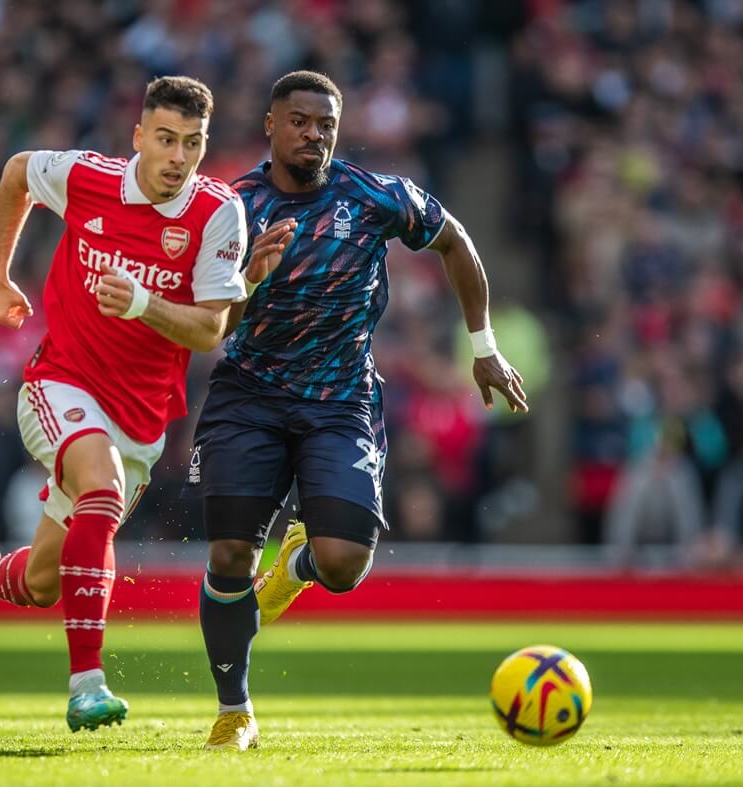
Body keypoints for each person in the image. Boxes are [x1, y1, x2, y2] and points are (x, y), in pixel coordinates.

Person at [189, 71, 528, 751]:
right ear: (271, 124)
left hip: (340, 401)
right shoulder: (229, 207)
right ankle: (235, 710)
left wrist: (483, 346)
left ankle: (295, 567)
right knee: (228, 552)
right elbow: (209, 327)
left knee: (342, 563)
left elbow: (455, 240)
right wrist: (247, 277)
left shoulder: (375, 197)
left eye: (326, 125)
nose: (314, 135)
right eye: (300, 122)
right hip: (248, 395)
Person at [0, 76, 247, 733]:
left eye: (192, 143)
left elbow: (211, 329)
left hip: (139, 422)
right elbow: (18, 172)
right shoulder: (87, 177)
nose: (177, 157)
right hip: (60, 384)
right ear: (139, 138)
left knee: (46, 580)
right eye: (165, 140)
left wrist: (141, 303)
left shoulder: (217, 212)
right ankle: (86, 685)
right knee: (98, 491)